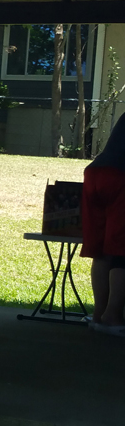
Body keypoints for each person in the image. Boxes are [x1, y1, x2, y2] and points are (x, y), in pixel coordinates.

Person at [82, 111, 125, 334]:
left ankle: (99, 314)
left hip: (95, 173)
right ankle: (113, 315)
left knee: (101, 252)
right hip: (120, 178)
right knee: (122, 251)